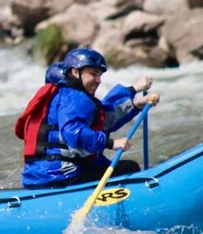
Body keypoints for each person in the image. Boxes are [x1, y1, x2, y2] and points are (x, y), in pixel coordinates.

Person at [15, 48, 160, 188]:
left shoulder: (63, 95)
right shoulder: (73, 96)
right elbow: (72, 132)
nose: (98, 80)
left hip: (39, 178)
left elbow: (102, 118)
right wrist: (110, 143)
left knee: (108, 166)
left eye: (100, 75)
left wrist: (135, 102)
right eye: (93, 74)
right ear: (75, 72)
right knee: (129, 168)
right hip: (61, 176)